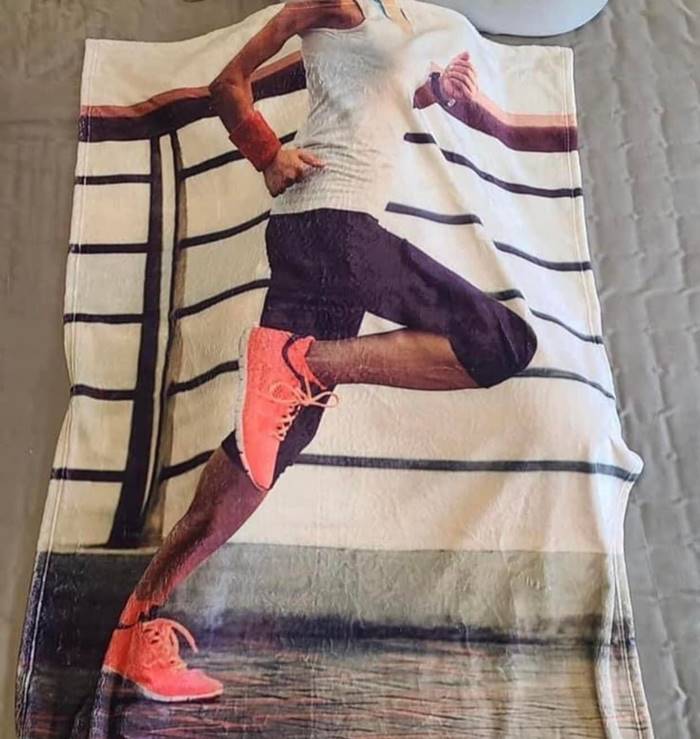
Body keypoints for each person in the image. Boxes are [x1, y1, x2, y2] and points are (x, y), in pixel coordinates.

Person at [102, 0, 551, 702]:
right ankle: (304, 361)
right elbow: (228, 83)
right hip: (331, 224)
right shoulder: (334, 4)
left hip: (320, 236)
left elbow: (371, 96)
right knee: (502, 341)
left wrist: (438, 93)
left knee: (262, 457)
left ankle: (134, 628)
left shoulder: (396, 16)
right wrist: (266, 151)